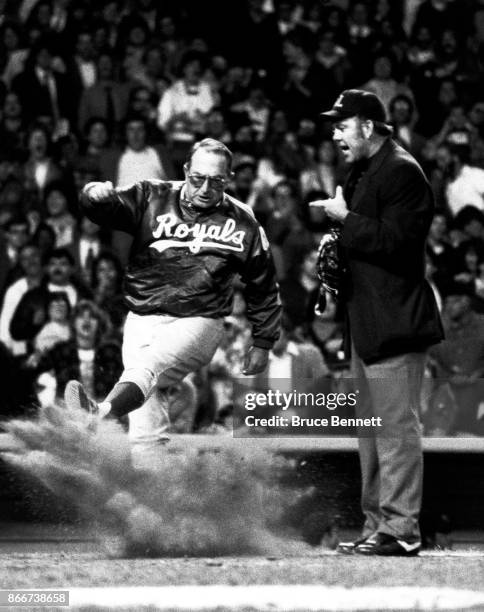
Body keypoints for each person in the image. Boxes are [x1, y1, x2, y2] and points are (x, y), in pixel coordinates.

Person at [64, 138, 281, 449]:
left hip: (200, 320)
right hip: (142, 316)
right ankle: (155, 494)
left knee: (147, 367)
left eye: (216, 180)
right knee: (144, 427)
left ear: (228, 178)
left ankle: (99, 413)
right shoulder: (152, 195)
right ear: (185, 170)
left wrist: (263, 341)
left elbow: (263, 283)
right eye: (197, 178)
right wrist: (93, 195)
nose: (206, 188)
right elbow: (104, 210)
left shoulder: (243, 220)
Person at [311, 89, 443, 556]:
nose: (335, 133)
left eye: (342, 125)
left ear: (368, 126)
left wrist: (345, 220)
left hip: (397, 322)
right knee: (370, 431)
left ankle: (402, 530)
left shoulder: (403, 170)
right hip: (367, 323)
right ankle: (377, 527)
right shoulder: (364, 170)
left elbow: (400, 243)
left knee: (395, 430)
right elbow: (365, 242)